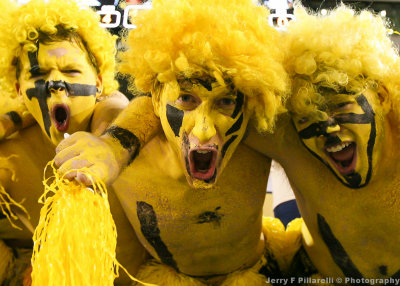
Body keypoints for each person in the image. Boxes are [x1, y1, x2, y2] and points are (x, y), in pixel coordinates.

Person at [55, 0, 305, 284]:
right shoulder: (140, 125)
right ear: (158, 96)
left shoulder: (255, 126)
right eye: (186, 99)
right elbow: (139, 111)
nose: (204, 129)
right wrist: (111, 148)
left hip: (255, 270)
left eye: (224, 101)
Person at [0, 0, 146, 284]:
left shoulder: (126, 133)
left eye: (71, 71)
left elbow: (120, 109)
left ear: (100, 83)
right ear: (19, 89)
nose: (56, 84)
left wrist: (108, 139)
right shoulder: (11, 154)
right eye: (38, 75)